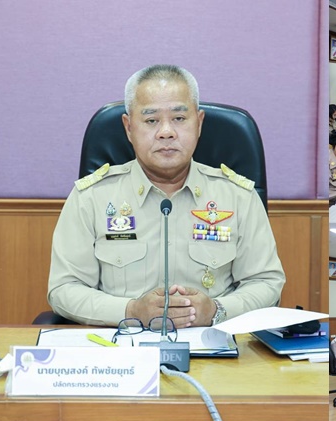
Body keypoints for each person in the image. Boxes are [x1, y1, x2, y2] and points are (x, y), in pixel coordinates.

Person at [47, 64, 285, 327]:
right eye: (151, 120)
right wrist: (131, 310)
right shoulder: (92, 197)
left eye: (179, 118)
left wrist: (217, 310)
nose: (166, 132)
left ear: (199, 123)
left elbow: (266, 282)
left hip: (213, 342)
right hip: (122, 342)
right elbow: (64, 288)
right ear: (128, 127)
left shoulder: (238, 197)